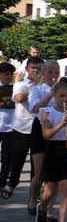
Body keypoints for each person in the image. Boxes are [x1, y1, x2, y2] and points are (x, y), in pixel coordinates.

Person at [37, 79, 67, 222]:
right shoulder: (47, 112)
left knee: (66, 188)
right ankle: (42, 209)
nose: (65, 99)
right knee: (49, 192)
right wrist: (61, 125)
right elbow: (46, 135)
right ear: (54, 94)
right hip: (53, 149)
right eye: (62, 95)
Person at [6, 56, 43, 208]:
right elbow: (20, 98)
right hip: (21, 127)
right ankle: (13, 181)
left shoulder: (45, 86)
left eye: (39, 68)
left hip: (39, 127)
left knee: (37, 164)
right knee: (18, 158)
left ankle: (34, 194)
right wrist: (34, 87)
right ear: (27, 69)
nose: (36, 71)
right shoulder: (20, 84)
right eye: (33, 68)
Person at [29, 61, 61, 218]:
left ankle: (48, 210)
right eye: (50, 72)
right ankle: (34, 197)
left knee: (54, 176)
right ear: (44, 73)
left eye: (56, 73)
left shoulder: (63, 90)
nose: (53, 76)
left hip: (57, 130)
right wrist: (51, 94)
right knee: (40, 173)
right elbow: (35, 108)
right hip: (39, 128)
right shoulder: (36, 89)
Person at [0, 62, 16, 196]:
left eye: (11, 74)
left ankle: (2, 180)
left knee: (7, 156)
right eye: (7, 74)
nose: (9, 77)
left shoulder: (15, 88)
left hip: (9, 126)